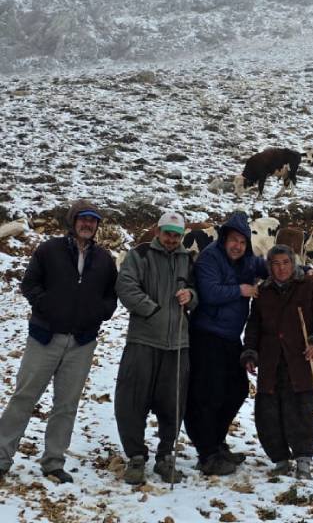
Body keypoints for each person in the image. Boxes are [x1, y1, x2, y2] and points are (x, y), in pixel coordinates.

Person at [0, 200, 117, 483]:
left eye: (93, 220)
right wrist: (45, 306)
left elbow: (111, 295)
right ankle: (2, 458)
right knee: (24, 397)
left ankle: (53, 462)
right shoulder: (49, 250)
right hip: (45, 337)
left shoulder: (104, 259)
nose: (88, 224)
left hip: (82, 342)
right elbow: (29, 284)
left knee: (66, 404)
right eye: (83, 219)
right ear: (73, 221)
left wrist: (100, 313)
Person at [115, 211, 199, 484]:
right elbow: (126, 286)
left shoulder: (189, 259)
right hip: (143, 340)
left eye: (177, 235)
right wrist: (152, 310)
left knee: (173, 403)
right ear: (157, 232)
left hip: (178, 343)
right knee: (132, 401)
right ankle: (136, 457)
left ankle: (165, 456)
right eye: (168, 233)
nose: (172, 239)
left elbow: (199, 292)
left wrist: (192, 296)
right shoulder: (139, 255)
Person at [241, 245, 313, 481]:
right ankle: (280, 459)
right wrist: (251, 352)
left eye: (285, 263)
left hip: (302, 359)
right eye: (275, 264)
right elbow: (254, 326)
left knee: (301, 411)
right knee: (268, 412)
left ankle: (303, 459)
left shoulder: (310, 286)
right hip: (272, 361)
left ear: (293, 264)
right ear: (269, 267)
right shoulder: (263, 292)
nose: (281, 268)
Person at [184, 211, 261, 476]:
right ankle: (207, 454)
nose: (237, 245)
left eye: (243, 241)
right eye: (234, 239)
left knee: (238, 389)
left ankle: (217, 442)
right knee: (208, 394)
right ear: (224, 238)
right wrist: (241, 290)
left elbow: (271, 265)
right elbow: (209, 292)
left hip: (230, 337)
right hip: (205, 334)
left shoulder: (249, 262)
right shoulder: (209, 257)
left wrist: (303, 270)